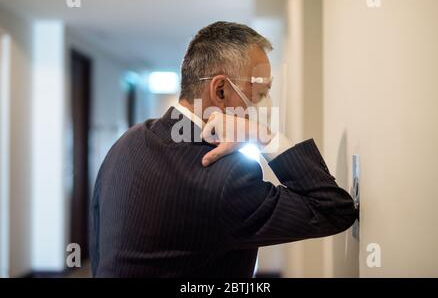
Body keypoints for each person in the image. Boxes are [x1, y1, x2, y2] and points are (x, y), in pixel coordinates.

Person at [89, 21, 357, 278]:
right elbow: (333, 210)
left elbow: (100, 251)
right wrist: (264, 137)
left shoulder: (127, 142)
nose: (264, 105)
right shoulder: (226, 176)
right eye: (260, 93)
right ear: (220, 90)